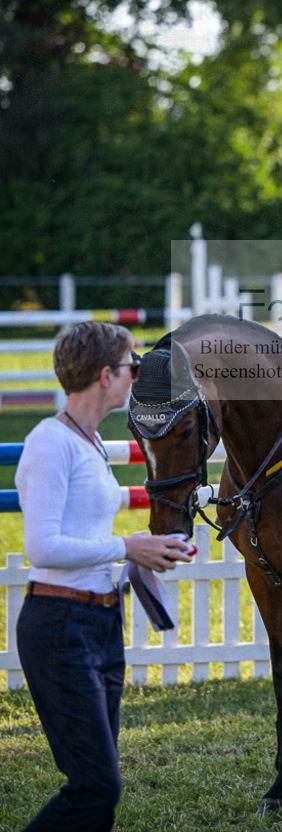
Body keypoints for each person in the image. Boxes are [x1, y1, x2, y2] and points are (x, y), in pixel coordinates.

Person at [15, 321, 193, 832]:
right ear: (104, 374)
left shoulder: (88, 441)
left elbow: (85, 533)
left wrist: (146, 553)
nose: (136, 376)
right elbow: (42, 547)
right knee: (96, 787)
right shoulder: (51, 443)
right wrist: (128, 546)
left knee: (99, 788)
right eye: (132, 367)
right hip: (59, 627)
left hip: (97, 622)